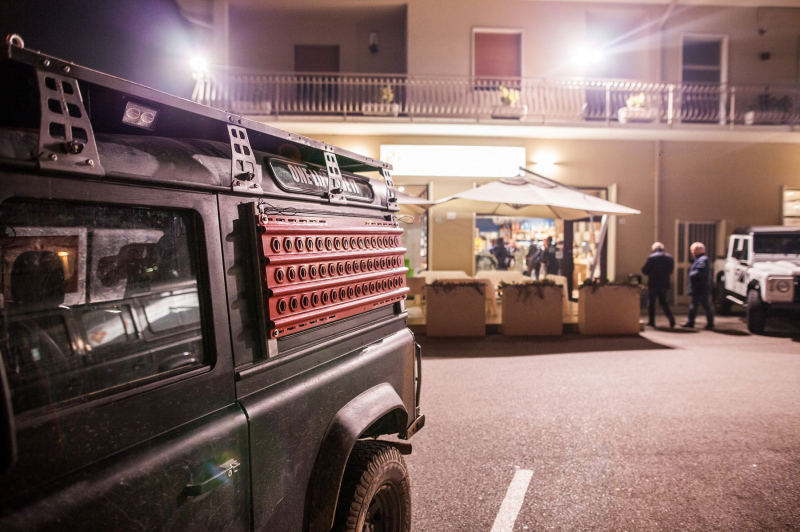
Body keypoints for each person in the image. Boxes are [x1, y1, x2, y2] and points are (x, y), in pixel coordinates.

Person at [641, 241, 675, 328]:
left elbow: (645, 270)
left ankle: (652, 321)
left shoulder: (652, 257)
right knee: (663, 302)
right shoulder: (669, 257)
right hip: (664, 283)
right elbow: (671, 271)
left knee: (651, 302)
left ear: (654, 248)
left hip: (653, 283)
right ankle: (671, 318)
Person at [682, 241, 714, 330]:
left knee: (702, 305)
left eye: (693, 250)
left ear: (700, 250)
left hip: (700, 288)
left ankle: (694, 322)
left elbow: (700, 272)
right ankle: (692, 322)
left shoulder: (702, 260)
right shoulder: (700, 259)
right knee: (698, 305)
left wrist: (691, 274)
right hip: (700, 287)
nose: (692, 252)